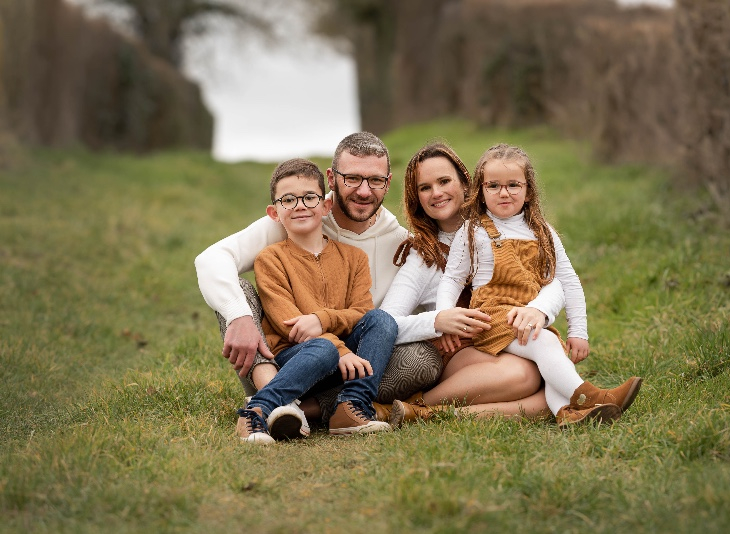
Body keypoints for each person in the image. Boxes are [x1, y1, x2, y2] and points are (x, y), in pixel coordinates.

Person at [194, 132, 440, 423]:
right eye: (351, 178)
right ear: (332, 179)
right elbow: (211, 259)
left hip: (353, 364)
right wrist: (238, 316)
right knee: (239, 292)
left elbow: (430, 304)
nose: (363, 191)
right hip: (282, 359)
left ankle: (311, 411)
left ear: (387, 183)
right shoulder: (297, 215)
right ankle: (272, 394)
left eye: (374, 180)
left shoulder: (401, 243)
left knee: (423, 362)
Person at [434, 143, 642, 428]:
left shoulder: (542, 231)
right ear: (481, 191)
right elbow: (453, 279)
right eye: (493, 186)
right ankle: (591, 396)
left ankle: (568, 414)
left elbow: (568, 280)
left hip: (529, 316)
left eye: (513, 185)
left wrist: (579, 332)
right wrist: (444, 316)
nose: (503, 193)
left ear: (528, 190)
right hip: (491, 318)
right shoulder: (473, 230)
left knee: (550, 348)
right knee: (543, 340)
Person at [380, 142, 566, 425]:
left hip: (514, 337)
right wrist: (438, 321)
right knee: (524, 375)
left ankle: (426, 415)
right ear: (415, 197)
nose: (437, 193)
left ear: (467, 182)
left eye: (444, 181)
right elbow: (386, 324)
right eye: (425, 187)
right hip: (463, 353)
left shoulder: (507, 227)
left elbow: (552, 281)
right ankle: (415, 402)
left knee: (545, 401)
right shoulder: (423, 256)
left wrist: (539, 309)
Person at [237, 158, 396, 444]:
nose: (300, 205)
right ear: (274, 212)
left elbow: (361, 311)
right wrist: (338, 348)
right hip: (295, 358)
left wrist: (324, 321)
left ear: (325, 206)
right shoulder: (270, 259)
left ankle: (352, 406)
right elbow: (289, 325)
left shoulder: (353, 258)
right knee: (323, 348)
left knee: (382, 320)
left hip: (344, 361)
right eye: (288, 200)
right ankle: (257, 410)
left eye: (310, 197)